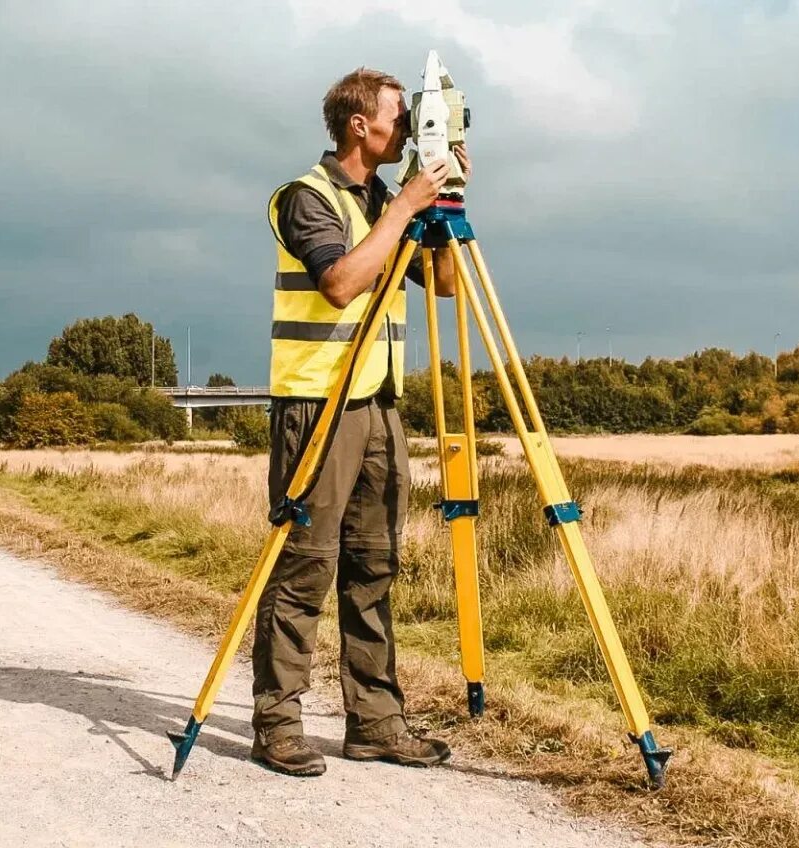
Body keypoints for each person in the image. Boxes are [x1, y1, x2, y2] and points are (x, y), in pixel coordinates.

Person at [253, 66, 471, 777]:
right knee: (306, 569)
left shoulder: (385, 203)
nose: (407, 130)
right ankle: (278, 724)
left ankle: (375, 721)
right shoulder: (306, 198)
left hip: (377, 407)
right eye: (398, 117)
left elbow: (443, 287)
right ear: (359, 124)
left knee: (373, 566)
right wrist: (405, 208)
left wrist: (444, 205)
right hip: (316, 408)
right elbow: (342, 283)